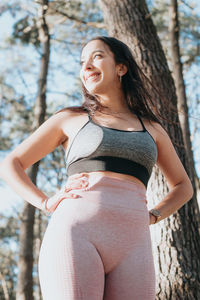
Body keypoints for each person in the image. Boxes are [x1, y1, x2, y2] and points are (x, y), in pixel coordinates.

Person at [0, 36, 193, 300]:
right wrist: (45, 203)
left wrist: (154, 215)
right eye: (82, 62)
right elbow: (11, 164)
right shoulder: (71, 118)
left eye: (97, 56)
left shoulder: (153, 128)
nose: (86, 66)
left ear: (121, 68)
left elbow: (183, 187)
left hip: (134, 243)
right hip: (76, 234)